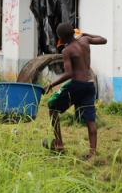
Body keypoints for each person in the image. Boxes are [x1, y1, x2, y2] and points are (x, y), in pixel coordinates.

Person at [43, 23, 107, 161]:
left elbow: (69, 74)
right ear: (73, 32)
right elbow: (103, 39)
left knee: (52, 106)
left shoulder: (67, 51)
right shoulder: (85, 40)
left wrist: (51, 85)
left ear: (61, 38)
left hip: (77, 85)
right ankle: (92, 154)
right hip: (90, 85)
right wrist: (85, 34)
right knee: (91, 121)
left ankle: (59, 143)